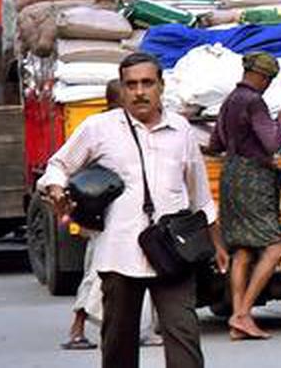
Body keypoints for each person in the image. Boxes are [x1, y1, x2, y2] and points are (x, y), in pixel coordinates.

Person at [39, 53, 228, 368]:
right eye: (131, 85)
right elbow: (59, 165)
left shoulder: (181, 130)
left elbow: (201, 196)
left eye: (147, 83)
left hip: (172, 253)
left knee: (185, 338)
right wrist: (57, 190)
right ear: (122, 89)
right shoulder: (99, 128)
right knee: (118, 345)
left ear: (161, 87)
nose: (140, 91)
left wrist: (217, 243)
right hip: (119, 253)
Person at [63, 79, 162, 351]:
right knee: (97, 274)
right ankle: (77, 327)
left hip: (125, 217)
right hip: (106, 219)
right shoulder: (103, 130)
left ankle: (145, 328)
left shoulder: (133, 127)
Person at [208, 52, 281, 341]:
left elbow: (214, 143)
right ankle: (242, 314)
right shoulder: (254, 101)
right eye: (269, 79)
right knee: (273, 248)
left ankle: (237, 323)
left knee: (242, 250)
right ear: (262, 76)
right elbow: (271, 144)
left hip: (229, 176)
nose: (268, 85)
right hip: (254, 179)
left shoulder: (230, 100)